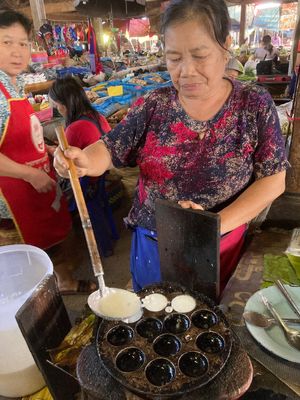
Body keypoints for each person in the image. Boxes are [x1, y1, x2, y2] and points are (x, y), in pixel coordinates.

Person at [54, 0, 288, 294]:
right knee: (154, 321)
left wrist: (210, 225)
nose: (186, 71)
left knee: (212, 325)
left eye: (200, 55)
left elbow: (273, 179)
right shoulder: (155, 104)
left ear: (225, 46)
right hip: (154, 245)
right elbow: (110, 148)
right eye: (174, 58)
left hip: (220, 242)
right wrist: (82, 160)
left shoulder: (253, 104)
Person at [0, 10, 95, 294]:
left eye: (23, 43)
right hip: (11, 196)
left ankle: (62, 282)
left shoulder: (13, 84)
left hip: (36, 184)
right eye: (7, 42)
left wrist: (50, 148)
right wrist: (30, 174)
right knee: (25, 263)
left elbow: (22, 136)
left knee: (51, 238)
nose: (18, 51)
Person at [48, 76, 118, 256]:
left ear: (65, 103)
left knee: (57, 197)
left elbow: (68, 160)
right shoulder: (97, 115)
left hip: (90, 180)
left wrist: (52, 150)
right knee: (99, 205)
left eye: (57, 105)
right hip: (103, 173)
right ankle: (112, 237)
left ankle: (103, 249)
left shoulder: (75, 127)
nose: (57, 109)